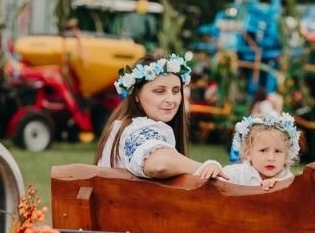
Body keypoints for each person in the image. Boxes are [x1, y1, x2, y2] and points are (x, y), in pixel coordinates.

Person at [94, 54, 224, 182]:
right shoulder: (136, 128)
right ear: (136, 95)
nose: (171, 100)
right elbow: (159, 164)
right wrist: (205, 167)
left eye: (176, 91)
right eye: (159, 91)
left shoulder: (123, 124)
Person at [223, 113, 299, 190]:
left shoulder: (289, 180)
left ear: (286, 156)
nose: (271, 158)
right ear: (248, 153)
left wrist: (278, 186)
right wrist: (213, 166)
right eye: (263, 150)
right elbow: (218, 178)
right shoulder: (237, 173)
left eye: (277, 151)